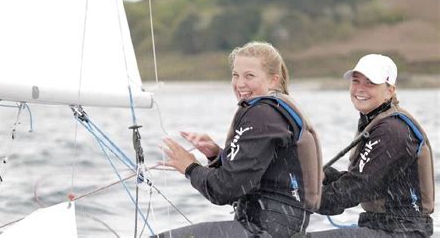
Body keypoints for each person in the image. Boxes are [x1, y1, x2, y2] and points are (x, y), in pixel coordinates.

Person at [155, 41, 323, 237]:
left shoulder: (263, 115)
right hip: (274, 228)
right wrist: (216, 155)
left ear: (273, 80)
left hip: (264, 231)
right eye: (235, 75)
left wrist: (190, 167)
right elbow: (245, 178)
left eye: (249, 76)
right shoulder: (275, 111)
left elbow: (224, 189)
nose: (240, 83)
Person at [309, 54, 435, 237]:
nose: (360, 88)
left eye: (370, 83)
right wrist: (321, 176)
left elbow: (352, 191)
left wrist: (300, 194)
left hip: (402, 231)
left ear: (390, 91)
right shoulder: (377, 121)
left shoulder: (392, 130)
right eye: (356, 81)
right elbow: (365, 178)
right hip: (384, 226)